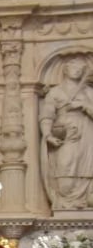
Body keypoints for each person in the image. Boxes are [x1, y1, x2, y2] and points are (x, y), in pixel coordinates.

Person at [39, 55, 93, 210]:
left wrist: (84, 105)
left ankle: (84, 200)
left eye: (80, 69)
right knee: (65, 165)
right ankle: (66, 202)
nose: (77, 71)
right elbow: (47, 115)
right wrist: (48, 134)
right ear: (66, 70)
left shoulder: (88, 92)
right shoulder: (56, 92)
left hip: (87, 133)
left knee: (87, 168)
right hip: (65, 134)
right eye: (74, 67)